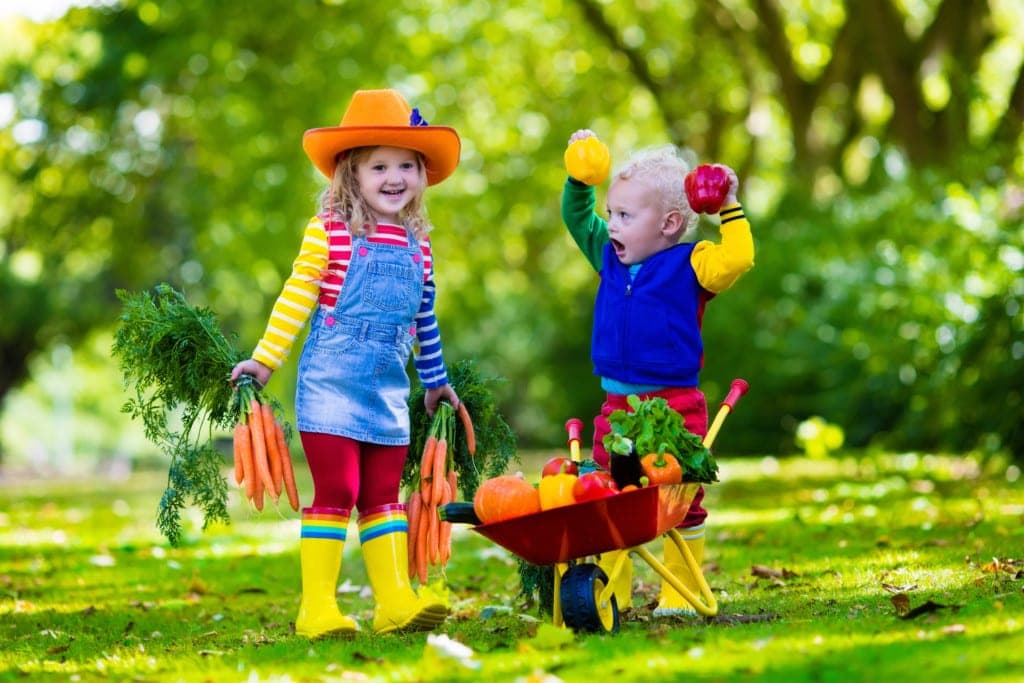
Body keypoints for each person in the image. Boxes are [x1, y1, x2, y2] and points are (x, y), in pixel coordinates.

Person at [231, 88, 462, 637]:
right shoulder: (329, 232)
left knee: (383, 495)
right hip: (331, 385)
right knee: (338, 491)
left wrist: (435, 382)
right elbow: (295, 297)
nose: (394, 177)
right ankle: (317, 609)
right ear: (349, 174)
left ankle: (393, 603)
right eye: (379, 165)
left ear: (422, 176)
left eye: (407, 165)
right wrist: (265, 362)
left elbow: (424, 318)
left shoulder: (419, 244)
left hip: (386, 389)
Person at [560, 129, 754, 617]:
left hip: (676, 405)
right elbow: (576, 218)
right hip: (617, 406)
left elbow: (739, 257)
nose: (613, 225)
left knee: (679, 498)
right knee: (610, 494)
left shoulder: (693, 262)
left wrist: (728, 204)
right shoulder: (609, 256)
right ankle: (613, 593)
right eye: (612, 213)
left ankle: (681, 595)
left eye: (625, 215)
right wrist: (578, 179)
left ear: (669, 223)